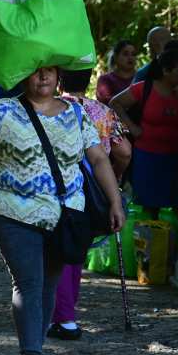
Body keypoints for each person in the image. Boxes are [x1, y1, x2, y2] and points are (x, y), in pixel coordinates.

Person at [0, 64, 124, 355]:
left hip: (66, 215)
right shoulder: (2, 110)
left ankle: (37, 353)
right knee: (28, 282)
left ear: (59, 76)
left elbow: (99, 159)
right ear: (23, 75)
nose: (43, 77)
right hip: (14, 212)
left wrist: (115, 201)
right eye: (34, 71)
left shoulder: (75, 113)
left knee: (48, 285)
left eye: (49, 71)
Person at [49, 68, 132, 340]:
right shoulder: (102, 112)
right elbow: (124, 151)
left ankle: (63, 317)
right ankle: (66, 311)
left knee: (59, 250)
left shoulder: (52, 108)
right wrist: (113, 180)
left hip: (61, 187)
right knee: (76, 249)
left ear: (59, 79)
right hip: (95, 186)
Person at [110, 42, 178, 217]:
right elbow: (115, 103)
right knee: (148, 206)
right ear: (166, 71)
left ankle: (174, 243)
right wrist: (132, 128)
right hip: (147, 156)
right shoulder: (144, 88)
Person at [96, 39, 137, 104]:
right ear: (116, 57)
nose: (130, 57)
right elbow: (106, 103)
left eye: (133, 54)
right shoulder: (105, 79)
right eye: (125, 54)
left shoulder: (142, 77)